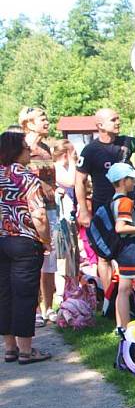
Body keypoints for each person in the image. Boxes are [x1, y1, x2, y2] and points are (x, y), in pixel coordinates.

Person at [74, 108, 135, 290]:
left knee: (132, 248)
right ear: (100, 125)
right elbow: (79, 181)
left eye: (118, 118)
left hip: (128, 205)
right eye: (113, 119)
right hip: (103, 208)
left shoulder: (126, 142)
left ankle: (134, 295)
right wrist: (84, 211)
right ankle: (111, 297)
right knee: (104, 254)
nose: (118, 122)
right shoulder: (90, 150)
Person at [0, 131, 52, 364]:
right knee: (24, 295)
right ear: (15, 151)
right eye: (25, 146)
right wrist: (46, 240)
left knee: (4, 293)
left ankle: (9, 348)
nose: (29, 150)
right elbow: (39, 215)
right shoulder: (27, 178)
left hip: (1, 240)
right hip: (24, 240)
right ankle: (26, 350)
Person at [18, 107, 59, 326]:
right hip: (30, 211)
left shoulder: (45, 148)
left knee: (49, 261)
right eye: (42, 118)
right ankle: (32, 309)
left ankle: (48, 308)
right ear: (28, 123)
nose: (46, 121)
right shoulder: (21, 148)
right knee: (32, 260)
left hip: (51, 208)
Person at [106, 163, 135, 333]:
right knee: (125, 289)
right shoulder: (125, 202)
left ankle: (120, 325)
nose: (133, 182)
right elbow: (120, 227)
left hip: (123, 248)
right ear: (124, 181)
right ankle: (124, 327)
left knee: (123, 289)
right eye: (131, 179)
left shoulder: (115, 199)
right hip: (129, 247)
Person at [54, 139, 78, 217]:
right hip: (63, 212)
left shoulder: (70, 167)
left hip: (72, 209)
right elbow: (71, 182)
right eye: (74, 153)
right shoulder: (56, 168)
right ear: (65, 155)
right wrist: (72, 160)